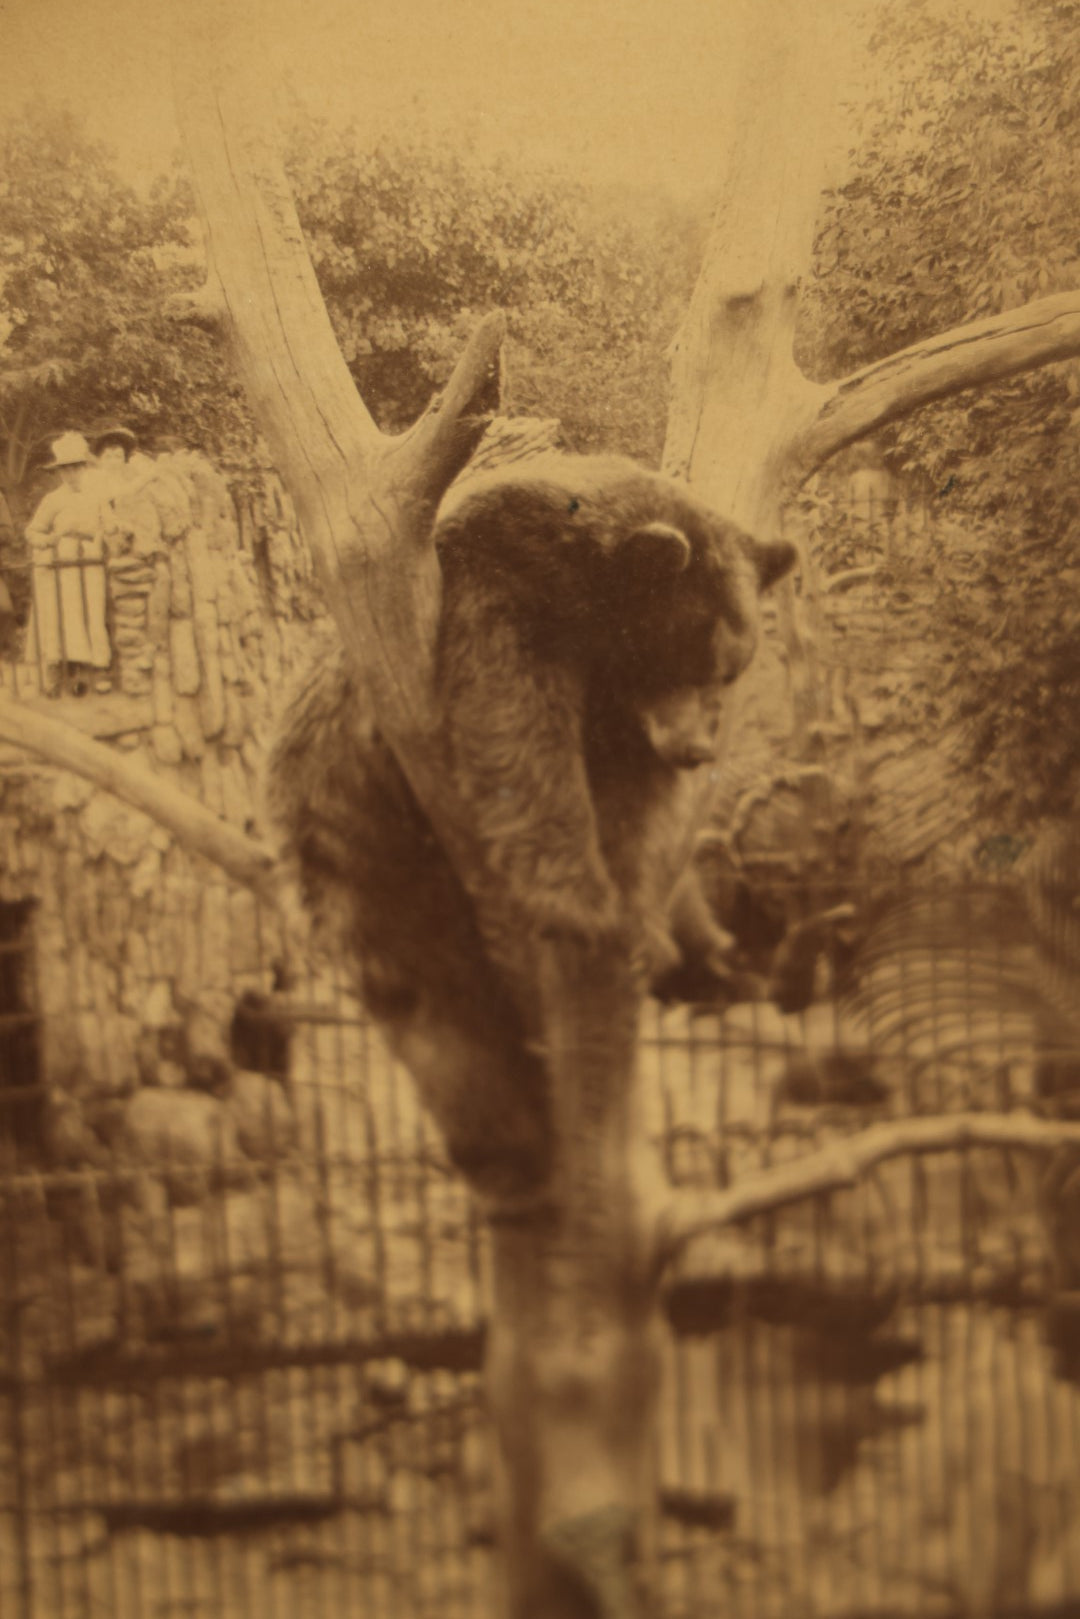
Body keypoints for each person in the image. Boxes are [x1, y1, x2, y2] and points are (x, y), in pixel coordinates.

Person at [25, 432, 112, 696]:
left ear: (84, 468)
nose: (71, 475)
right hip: (63, 566)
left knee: (92, 615)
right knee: (64, 616)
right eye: (66, 470)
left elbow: (108, 524)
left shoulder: (98, 496)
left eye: (76, 468)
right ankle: (58, 673)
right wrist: (50, 540)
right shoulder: (54, 499)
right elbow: (33, 531)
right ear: (60, 472)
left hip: (90, 561)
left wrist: (106, 533)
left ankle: (93, 671)